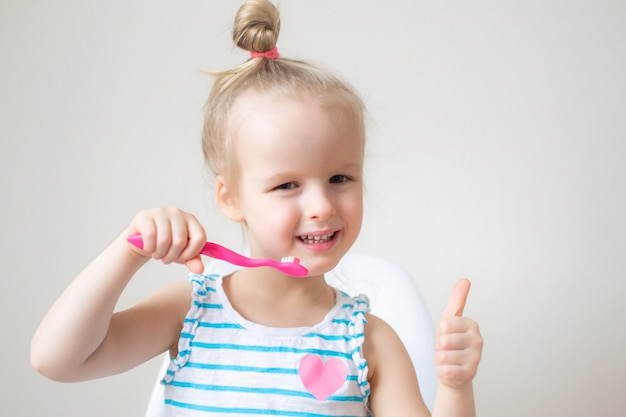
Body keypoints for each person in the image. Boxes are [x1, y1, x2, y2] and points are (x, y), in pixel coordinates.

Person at [30, 0, 483, 416]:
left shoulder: (368, 343)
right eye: (287, 184)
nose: (322, 205)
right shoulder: (192, 310)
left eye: (340, 178)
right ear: (230, 198)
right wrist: (129, 250)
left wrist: (455, 386)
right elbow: (57, 360)